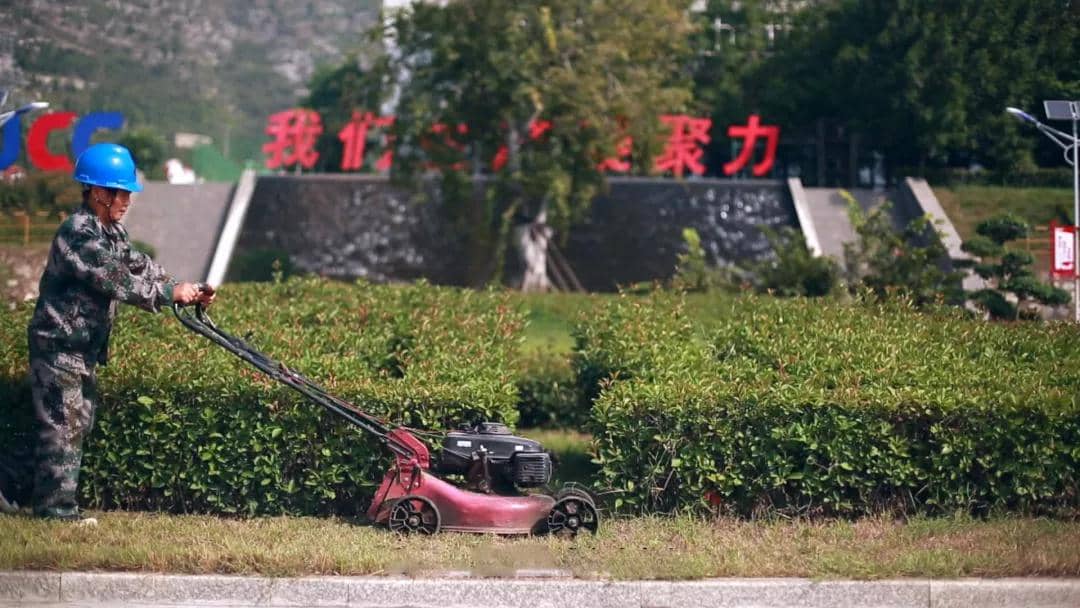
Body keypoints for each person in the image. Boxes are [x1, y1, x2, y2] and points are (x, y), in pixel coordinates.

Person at [0, 142, 215, 524]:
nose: (128, 200)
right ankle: (56, 512)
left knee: (72, 423)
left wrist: (185, 288)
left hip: (81, 349)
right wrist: (169, 294)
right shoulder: (79, 234)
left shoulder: (112, 232)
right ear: (99, 192)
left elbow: (140, 267)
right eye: (122, 192)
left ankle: (9, 489)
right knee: (64, 426)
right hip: (59, 345)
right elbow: (116, 279)